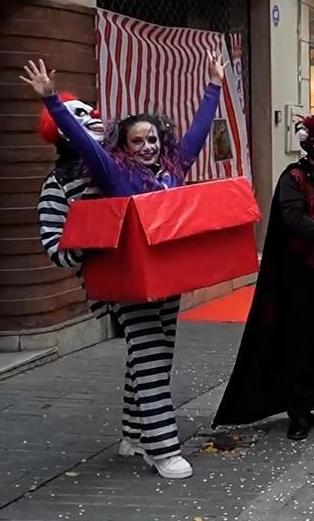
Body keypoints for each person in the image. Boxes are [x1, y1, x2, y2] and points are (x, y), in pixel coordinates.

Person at [21, 53, 224, 479]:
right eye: (137, 141)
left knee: (154, 354)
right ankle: (162, 447)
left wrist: (213, 86)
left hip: (166, 277)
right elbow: (59, 246)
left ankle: (134, 433)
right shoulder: (100, 174)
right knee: (149, 354)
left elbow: (194, 138)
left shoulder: (166, 168)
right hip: (123, 282)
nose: (147, 146)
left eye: (152, 140)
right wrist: (52, 99)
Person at [214, 113, 314, 441]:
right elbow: (294, 219)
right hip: (303, 273)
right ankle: (299, 409)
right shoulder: (293, 177)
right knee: (302, 340)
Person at [34, 90, 110, 324]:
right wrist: (95, 242)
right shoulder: (57, 184)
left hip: (158, 279)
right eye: (81, 113)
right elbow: (55, 249)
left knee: (160, 352)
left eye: (91, 110)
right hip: (116, 284)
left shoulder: (123, 165)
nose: (95, 114)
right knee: (151, 354)